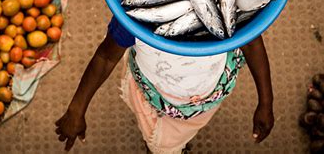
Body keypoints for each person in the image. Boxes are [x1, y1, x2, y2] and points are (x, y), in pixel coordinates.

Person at [55, 16, 274, 153]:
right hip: (150, 87)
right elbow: (105, 58)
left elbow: (252, 43)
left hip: (207, 92)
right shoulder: (137, 14)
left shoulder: (231, 13)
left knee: (175, 137)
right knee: (160, 145)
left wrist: (266, 101)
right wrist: (77, 108)